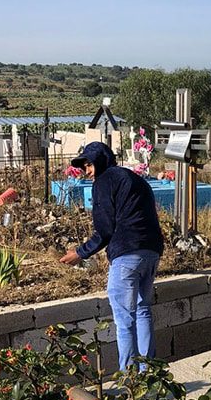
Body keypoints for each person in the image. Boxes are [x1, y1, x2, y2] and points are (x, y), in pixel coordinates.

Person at [59, 142, 164, 370]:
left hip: (127, 254)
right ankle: (149, 372)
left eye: (89, 165)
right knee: (143, 309)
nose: (87, 171)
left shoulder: (104, 181)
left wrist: (80, 252)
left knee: (124, 319)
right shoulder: (136, 179)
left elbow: (105, 229)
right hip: (151, 251)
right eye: (83, 166)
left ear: (100, 161)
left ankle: (130, 379)